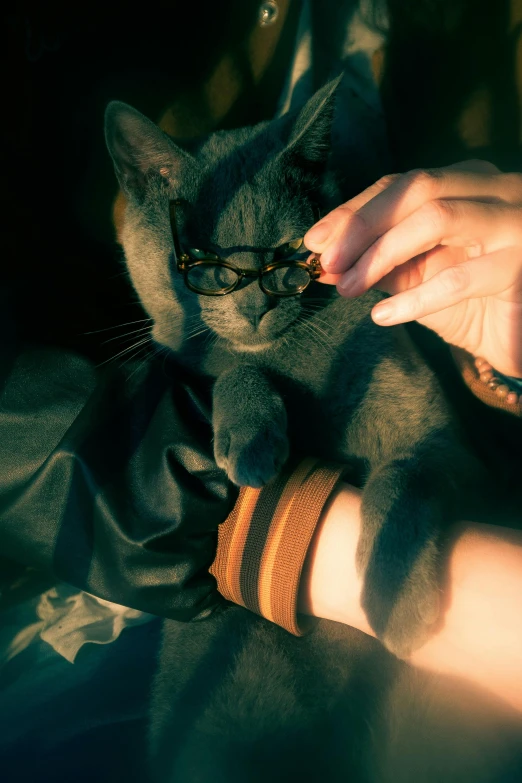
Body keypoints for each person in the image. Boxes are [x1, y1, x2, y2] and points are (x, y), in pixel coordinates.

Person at [1, 0, 521, 776]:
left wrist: (504, 363)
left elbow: (429, 426)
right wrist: (214, 497)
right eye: (217, 276)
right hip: (176, 563)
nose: (248, 306)